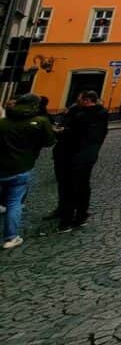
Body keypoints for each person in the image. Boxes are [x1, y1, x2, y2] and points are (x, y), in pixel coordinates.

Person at [0, 93, 56, 249]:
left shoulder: (3, 122)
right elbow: (49, 141)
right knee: (14, 203)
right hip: (22, 167)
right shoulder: (40, 122)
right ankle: (10, 237)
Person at [55, 90, 108, 232]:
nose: (78, 101)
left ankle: (68, 218)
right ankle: (79, 215)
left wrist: (63, 131)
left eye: (80, 99)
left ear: (87, 100)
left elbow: (76, 133)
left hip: (77, 155)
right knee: (81, 186)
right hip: (85, 156)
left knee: (72, 186)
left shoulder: (83, 116)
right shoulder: (99, 113)